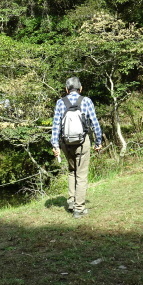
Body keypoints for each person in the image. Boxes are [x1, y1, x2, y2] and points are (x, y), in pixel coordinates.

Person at [51, 77, 103, 219]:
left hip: (65, 143)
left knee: (72, 171)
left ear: (66, 90)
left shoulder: (60, 102)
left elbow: (56, 125)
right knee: (81, 174)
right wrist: (98, 142)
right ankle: (79, 209)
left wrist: (55, 145)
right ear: (81, 88)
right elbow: (95, 123)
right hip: (82, 142)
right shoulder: (86, 101)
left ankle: (71, 202)